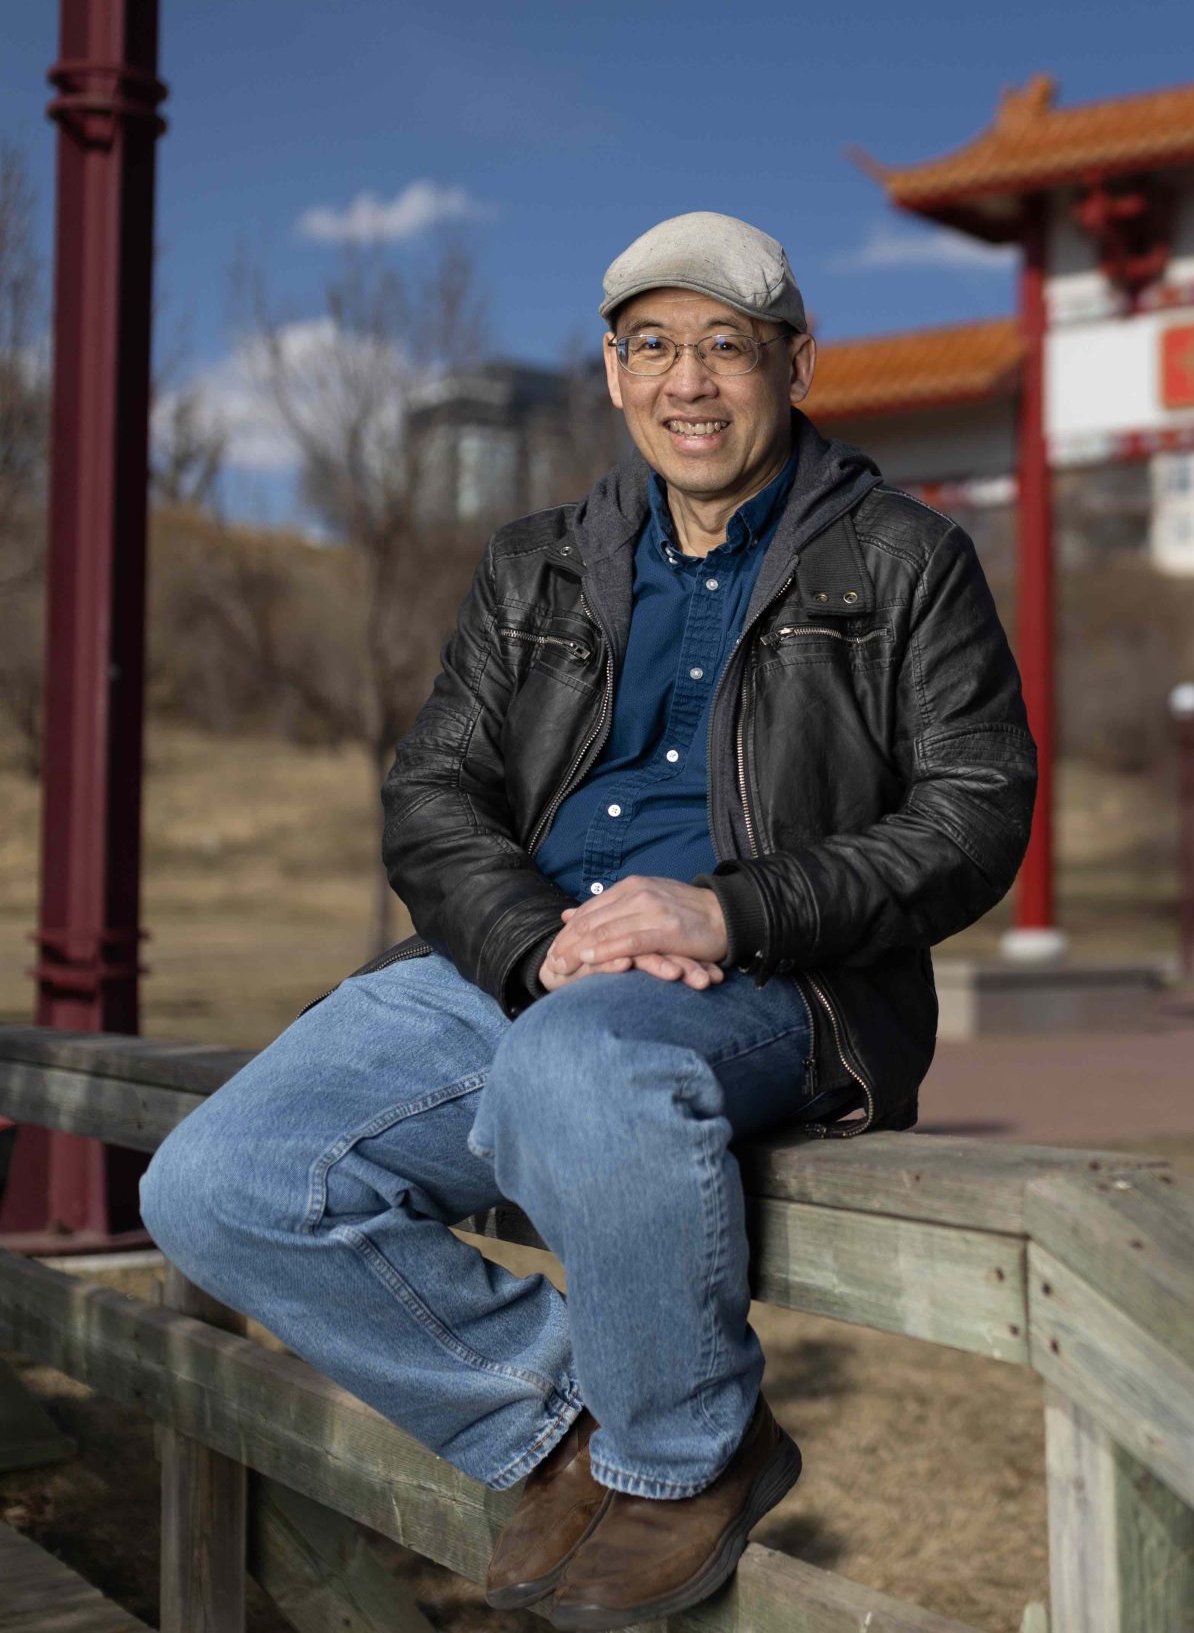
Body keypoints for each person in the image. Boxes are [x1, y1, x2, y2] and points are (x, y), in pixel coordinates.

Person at [137, 212, 1036, 1630]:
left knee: (582, 1062)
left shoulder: (903, 561)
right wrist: (530, 942)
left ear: (795, 363)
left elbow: (976, 817)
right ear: (613, 375)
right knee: (216, 1185)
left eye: (726, 346)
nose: (690, 381)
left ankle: (685, 1460)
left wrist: (732, 911)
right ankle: (566, 1431)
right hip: (524, 959)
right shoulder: (533, 563)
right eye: (654, 347)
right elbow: (434, 792)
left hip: (772, 976)